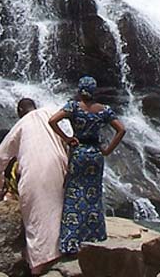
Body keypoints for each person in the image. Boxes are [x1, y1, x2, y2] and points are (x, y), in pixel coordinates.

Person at [0, 98, 68, 274]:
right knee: (58, 211)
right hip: (60, 165)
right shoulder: (51, 112)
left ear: (19, 111)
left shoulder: (20, 125)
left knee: (36, 219)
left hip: (34, 171)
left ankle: (39, 267)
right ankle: (63, 254)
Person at [49, 76, 125, 256]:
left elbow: (52, 121)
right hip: (95, 154)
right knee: (93, 193)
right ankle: (94, 235)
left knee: (74, 191)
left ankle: (71, 240)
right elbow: (121, 129)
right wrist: (107, 150)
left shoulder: (73, 107)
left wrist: (66, 138)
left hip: (79, 152)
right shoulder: (104, 110)